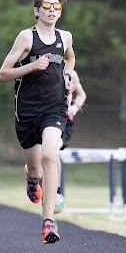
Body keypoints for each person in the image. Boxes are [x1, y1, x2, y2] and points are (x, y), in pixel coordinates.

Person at [0, 0, 75, 244]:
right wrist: (31, 67)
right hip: (27, 111)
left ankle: (49, 222)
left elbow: (70, 59)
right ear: (36, 10)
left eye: (57, 7)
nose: (52, 11)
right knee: (35, 169)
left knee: (51, 156)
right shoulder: (26, 38)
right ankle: (32, 181)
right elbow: (3, 74)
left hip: (55, 107)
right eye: (47, 6)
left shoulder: (66, 37)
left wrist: (67, 75)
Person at [55, 70, 87, 214]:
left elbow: (81, 95)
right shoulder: (41, 65)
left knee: (53, 150)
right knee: (37, 164)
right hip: (43, 119)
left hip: (64, 123)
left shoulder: (71, 73)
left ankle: (57, 193)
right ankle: (32, 178)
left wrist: (74, 107)